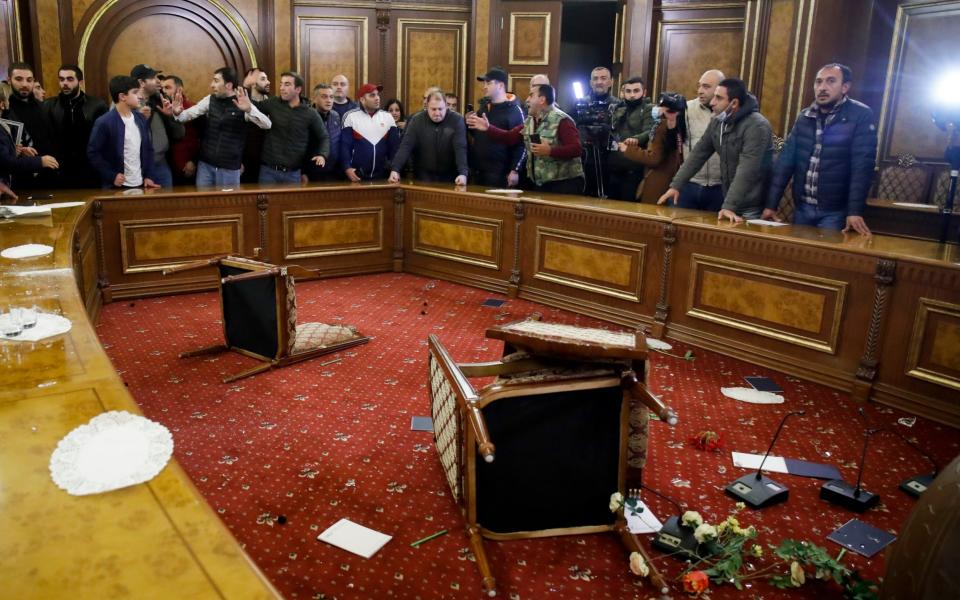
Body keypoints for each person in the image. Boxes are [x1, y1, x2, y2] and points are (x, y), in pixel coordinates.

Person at [765, 63, 877, 235]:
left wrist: (854, 211)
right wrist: (771, 205)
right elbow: (785, 163)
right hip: (803, 207)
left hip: (836, 211)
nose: (822, 87)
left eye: (831, 81)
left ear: (845, 87)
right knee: (797, 257)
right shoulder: (805, 117)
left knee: (824, 257)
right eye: (818, 82)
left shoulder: (861, 115)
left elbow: (862, 168)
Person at [658, 78, 773, 222]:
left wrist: (729, 206)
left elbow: (747, 170)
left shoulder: (757, 126)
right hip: (729, 201)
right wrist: (676, 186)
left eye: (718, 98)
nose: (712, 103)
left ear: (734, 103)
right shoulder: (718, 121)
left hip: (751, 206)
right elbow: (698, 154)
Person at [467, 83, 584, 195]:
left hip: (564, 185)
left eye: (531, 95)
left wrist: (550, 151)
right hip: (541, 184)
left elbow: (577, 149)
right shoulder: (530, 121)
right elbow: (509, 137)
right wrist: (488, 128)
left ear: (542, 99)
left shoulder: (562, 120)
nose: (527, 100)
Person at [172, 67, 272, 188]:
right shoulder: (210, 99)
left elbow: (267, 124)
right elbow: (186, 116)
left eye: (216, 81)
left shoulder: (243, 103)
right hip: (205, 166)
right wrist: (177, 113)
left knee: (227, 206)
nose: (212, 85)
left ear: (229, 85)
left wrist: (249, 109)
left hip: (229, 169)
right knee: (203, 204)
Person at [254, 71, 328, 184]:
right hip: (268, 172)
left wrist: (322, 155)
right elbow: (253, 109)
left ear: (298, 89)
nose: (282, 88)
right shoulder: (273, 103)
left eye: (287, 84)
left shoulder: (310, 113)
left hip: (293, 174)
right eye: (281, 84)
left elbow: (324, 137)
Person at [87, 75, 159, 189]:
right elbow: (93, 153)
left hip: (141, 184)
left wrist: (148, 176)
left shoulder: (140, 119)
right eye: (135, 92)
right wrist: (111, 176)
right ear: (122, 96)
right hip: (116, 186)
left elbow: (148, 149)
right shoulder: (104, 122)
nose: (140, 96)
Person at [43, 64, 108, 188]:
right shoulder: (48, 106)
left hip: (89, 171)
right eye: (61, 79)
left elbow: (104, 140)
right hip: (58, 172)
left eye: (70, 79)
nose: (65, 83)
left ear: (80, 82)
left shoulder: (97, 105)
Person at [618, 92, 687, 203]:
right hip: (670, 181)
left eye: (660, 106)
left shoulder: (662, 126)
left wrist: (628, 150)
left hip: (657, 183)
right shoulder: (677, 124)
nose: (656, 108)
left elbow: (654, 158)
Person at [388, 91, 468, 185]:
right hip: (423, 176)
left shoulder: (457, 120)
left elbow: (460, 148)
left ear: (446, 106)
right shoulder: (417, 120)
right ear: (427, 107)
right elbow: (406, 146)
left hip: (450, 176)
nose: (437, 113)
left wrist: (463, 173)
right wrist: (395, 169)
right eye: (433, 109)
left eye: (440, 109)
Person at [468, 68, 525, 187]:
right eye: (484, 83)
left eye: (488, 83)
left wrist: (515, 170)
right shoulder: (483, 108)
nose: (484, 87)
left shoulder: (515, 110)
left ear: (500, 85)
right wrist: (469, 124)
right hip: (478, 171)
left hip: (500, 173)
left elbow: (522, 144)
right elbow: (479, 136)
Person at [678, 69, 725, 212]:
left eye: (706, 87)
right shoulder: (685, 109)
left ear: (720, 88)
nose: (700, 91)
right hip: (690, 184)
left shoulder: (730, 113)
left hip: (720, 187)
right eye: (699, 86)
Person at [4, 62, 57, 187]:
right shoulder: (5, 110)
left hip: (48, 177)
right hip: (17, 180)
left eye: (29, 80)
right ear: (9, 80)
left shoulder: (43, 108)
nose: (24, 84)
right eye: (19, 79)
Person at [130, 64, 183, 187]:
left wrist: (172, 116)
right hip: (137, 168)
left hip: (161, 164)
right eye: (154, 78)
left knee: (167, 204)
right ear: (141, 82)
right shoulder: (126, 103)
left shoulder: (162, 101)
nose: (159, 81)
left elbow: (179, 135)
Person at [574, 66, 621, 197]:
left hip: (609, 160)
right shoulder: (579, 104)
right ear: (590, 82)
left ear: (611, 82)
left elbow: (620, 132)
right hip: (585, 158)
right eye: (595, 78)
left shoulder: (619, 105)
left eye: (603, 78)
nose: (599, 82)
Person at [607, 76, 656, 200]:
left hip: (634, 166)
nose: (632, 95)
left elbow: (649, 131)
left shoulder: (649, 108)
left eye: (636, 91)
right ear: (623, 93)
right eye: (628, 91)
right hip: (614, 164)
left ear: (644, 92)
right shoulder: (617, 108)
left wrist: (636, 139)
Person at [341, 83, 400, 181]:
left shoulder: (388, 117)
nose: (377, 98)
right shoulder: (350, 116)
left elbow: (394, 148)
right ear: (362, 99)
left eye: (377, 94)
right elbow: (344, 146)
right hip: (356, 176)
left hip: (383, 176)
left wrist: (395, 169)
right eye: (372, 95)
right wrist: (347, 168)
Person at [161, 75, 201, 184]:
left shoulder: (194, 109)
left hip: (189, 165)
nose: (163, 91)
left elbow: (203, 138)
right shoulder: (161, 109)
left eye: (167, 87)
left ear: (179, 89)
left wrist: (193, 161)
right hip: (168, 166)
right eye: (162, 88)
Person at [303, 83, 342, 181]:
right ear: (314, 99)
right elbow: (298, 147)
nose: (329, 100)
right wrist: (302, 172)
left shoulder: (336, 116)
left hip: (335, 172)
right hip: (312, 172)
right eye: (324, 97)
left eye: (331, 97)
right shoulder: (306, 117)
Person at [241, 68, 271, 182]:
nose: (268, 82)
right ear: (252, 82)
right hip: (244, 162)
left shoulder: (272, 103)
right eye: (263, 79)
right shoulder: (240, 103)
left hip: (266, 163)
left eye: (267, 79)